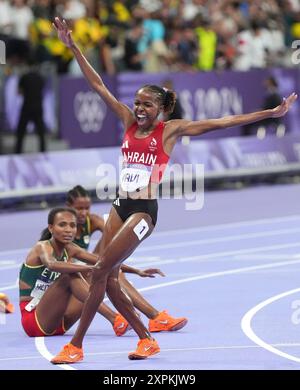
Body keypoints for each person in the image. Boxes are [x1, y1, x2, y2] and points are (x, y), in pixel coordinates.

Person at [52, 17, 297, 363]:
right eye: (137, 103)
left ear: (162, 109)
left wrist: (271, 113)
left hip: (142, 212)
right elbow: (98, 86)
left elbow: (224, 122)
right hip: (120, 205)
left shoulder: (170, 131)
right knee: (106, 279)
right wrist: (73, 46)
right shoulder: (125, 120)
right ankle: (147, 338)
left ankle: (75, 346)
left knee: (99, 271)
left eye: (147, 105)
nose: (139, 109)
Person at [19, 207, 161, 338]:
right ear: (51, 228)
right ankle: (115, 319)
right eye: (62, 225)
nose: (68, 230)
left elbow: (105, 261)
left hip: (61, 322)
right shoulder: (42, 247)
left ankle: (149, 318)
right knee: (70, 274)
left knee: (104, 272)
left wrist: (137, 271)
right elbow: (51, 264)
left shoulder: (71, 248)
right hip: (34, 320)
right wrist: (88, 268)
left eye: (72, 225)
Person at [66, 184, 187, 335]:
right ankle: (147, 317)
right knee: (108, 270)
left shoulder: (93, 221)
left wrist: (134, 269)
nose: (84, 213)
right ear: (68, 206)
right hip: (68, 286)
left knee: (112, 267)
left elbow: (117, 243)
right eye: (79, 208)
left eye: (87, 208)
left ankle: (152, 318)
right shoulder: (62, 226)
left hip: (87, 273)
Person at [15, 60, 47, 154]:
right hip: (38, 107)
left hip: (27, 107)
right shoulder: (40, 77)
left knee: (21, 132)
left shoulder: (24, 77)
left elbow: (19, 92)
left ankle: (18, 152)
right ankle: (43, 152)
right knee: (41, 132)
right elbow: (42, 89)